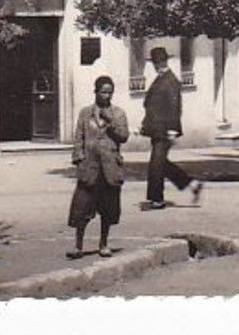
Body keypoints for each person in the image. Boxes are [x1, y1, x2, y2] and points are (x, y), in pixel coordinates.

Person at [68, 76, 130, 259]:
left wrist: (110, 123)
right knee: (82, 208)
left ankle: (104, 244)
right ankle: (78, 246)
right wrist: (79, 159)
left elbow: (124, 136)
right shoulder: (85, 113)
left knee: (108, 209)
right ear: (95, 92)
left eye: (110, 92)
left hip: (110, 168)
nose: (107, 95)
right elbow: (78, 137)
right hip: (90, 167)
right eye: (103, 91)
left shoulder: (118, 114)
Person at [139, 46, 202, 210]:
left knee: (156, 164)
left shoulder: (170, 80)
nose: (157, 64)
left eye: (158, 61)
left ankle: (157, 199)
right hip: (157, 128)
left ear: (163, 61)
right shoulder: (161, 79)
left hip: (165, 129)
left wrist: (173, 130)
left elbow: (175, 107)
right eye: (155, 62)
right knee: (161, 164)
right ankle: (192, 184)